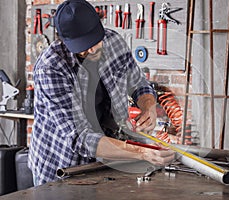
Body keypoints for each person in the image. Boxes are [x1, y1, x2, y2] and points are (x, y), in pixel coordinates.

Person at [28, 0, 175, 186]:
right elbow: (80, 138)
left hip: (109, 159)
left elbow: (139, 84)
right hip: (61, 165)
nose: (91, 49)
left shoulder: (114, 42)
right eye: (83, 46)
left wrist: (149, 107)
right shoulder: (51, 68)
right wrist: (142, 152)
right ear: (65, 42)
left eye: (94, 40)